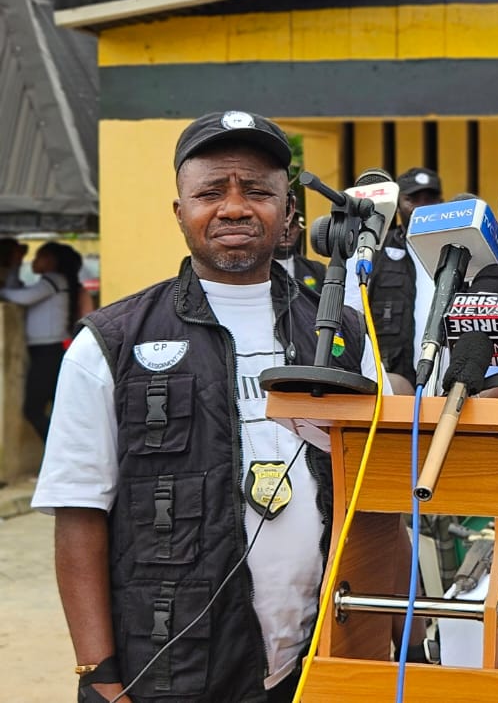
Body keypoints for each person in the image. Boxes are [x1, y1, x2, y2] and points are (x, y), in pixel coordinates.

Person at [31, 109, 398, 703]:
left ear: (288, 215)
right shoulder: (111, 341)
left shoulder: (345, 336)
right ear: (180, 212)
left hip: (312, 659)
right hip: (170, 667)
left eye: (257, 191)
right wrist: (97, 673)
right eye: (210, 192)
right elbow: (78, 511)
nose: (233, 207)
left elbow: (374, 499)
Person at [346, 166, 444, 384]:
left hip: (444, 379)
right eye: (413, 199)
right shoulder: (377, 249)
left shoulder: (455, 250)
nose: (422, 207)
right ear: (398, 205)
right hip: (393, 379)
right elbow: (353, 312)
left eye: (430, 199)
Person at [1, 240, 83, 441]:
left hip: (49, 351)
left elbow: (23, 297)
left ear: (51, 260)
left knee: (33, 408)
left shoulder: (54, 279)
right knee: (57, 408)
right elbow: (16, 290)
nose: (33, 261)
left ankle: (58, 451)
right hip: (46, 351)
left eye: (39, 257)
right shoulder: (51, 280)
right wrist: (15, 264)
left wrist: (1, 291)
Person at [273, 204, 326, 291]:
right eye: (280, 226)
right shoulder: (254, 273)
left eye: (292, 225)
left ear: (299, 229)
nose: (287, 232)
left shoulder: (317, 269)